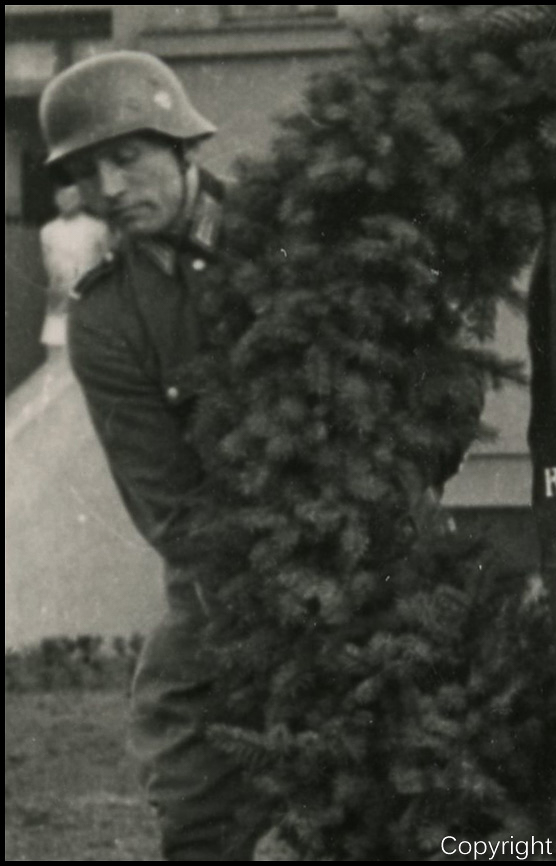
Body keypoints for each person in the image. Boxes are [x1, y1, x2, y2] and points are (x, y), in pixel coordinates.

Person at [39, 51, 270, 861]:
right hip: (225, 579)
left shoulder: (288, 238)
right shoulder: (105, 320)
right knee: (185, 744)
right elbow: (168, 503)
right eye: (84, 170)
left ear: (184, 148)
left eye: (126, 156)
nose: (106, 189)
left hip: (374, 546)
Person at [39, 184, 109, 348]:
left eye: (72, 195)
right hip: (59, 300)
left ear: (81, 199)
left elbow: (108, 264)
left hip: (91, 300)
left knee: (90, 348)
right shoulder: (48, 231)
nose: (67, 200)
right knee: (57, 349)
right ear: (55, 199)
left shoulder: (98, 227)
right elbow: (48, 264)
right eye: (62, 195)